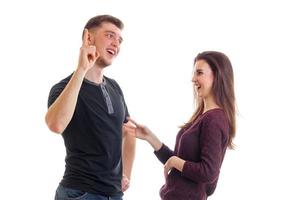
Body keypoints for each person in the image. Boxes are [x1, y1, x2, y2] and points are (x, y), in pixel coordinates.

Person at [45, 15, 136, 200]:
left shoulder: (115, 88)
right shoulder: (63, 89)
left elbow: (129, 131)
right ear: (88, 38)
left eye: (119, 40)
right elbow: (56, 124)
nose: (116, 44)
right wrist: (81, 69)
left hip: (114, 194)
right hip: (80, 193)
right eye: (110, 35)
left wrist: (126, 173)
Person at [125, 51, 236, 200]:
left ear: (216, 76)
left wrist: (175, 162)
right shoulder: (202, 117)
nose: (193, 79)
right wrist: (149, 137)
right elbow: (180, 165)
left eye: (199, 73)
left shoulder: (214, 119)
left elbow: (208, 172)